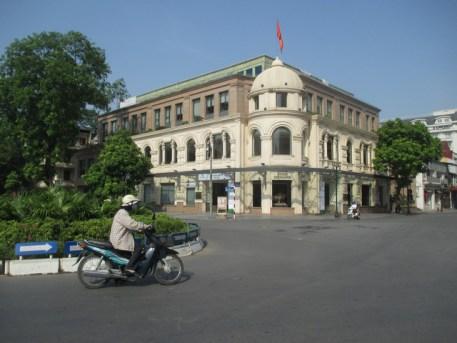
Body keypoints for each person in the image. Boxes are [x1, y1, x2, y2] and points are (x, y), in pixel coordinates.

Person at [109, 194, 147, 274]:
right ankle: (129, 267)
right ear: (129, 204)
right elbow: (132, 224)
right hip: (120, 240)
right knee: (139, 248)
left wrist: (139, 230)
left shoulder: (123, 212)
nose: (135, 206)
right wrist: (144, 226)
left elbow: (128, 226)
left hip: (121, 238)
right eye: (134, 204)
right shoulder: (122, 213)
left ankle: (123, 272)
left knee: (130, 252)